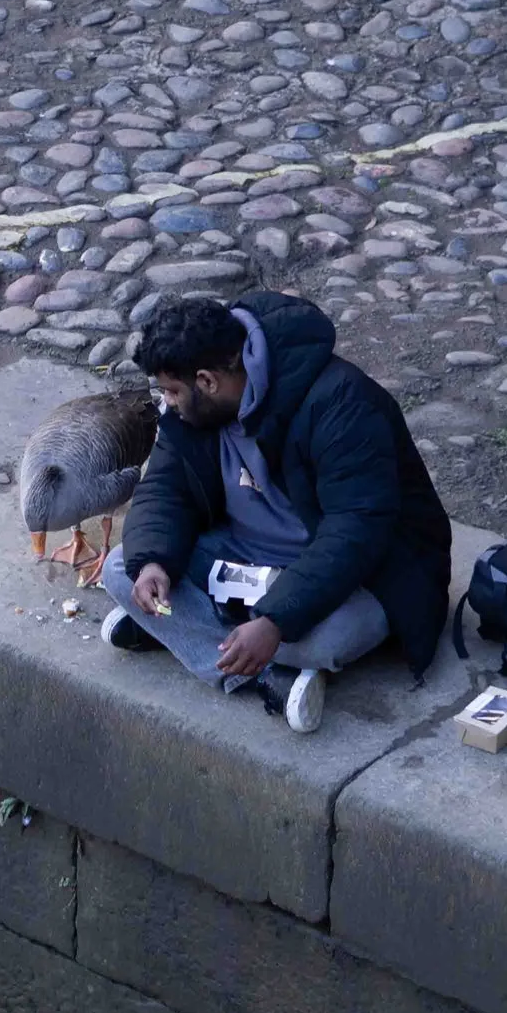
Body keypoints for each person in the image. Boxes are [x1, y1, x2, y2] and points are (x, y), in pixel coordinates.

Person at [100, 291, 452, 733]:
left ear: (207, 381)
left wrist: (277, 620)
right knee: (121, 568)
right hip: (243, 555)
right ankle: (265, 675)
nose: (166, 403)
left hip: (356, 574)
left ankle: (185, 634)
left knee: (327, 638)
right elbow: (165, 489)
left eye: (172, 391)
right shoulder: (189, 414)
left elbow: (356, 531)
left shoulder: (341, 401)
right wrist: (153, 563)